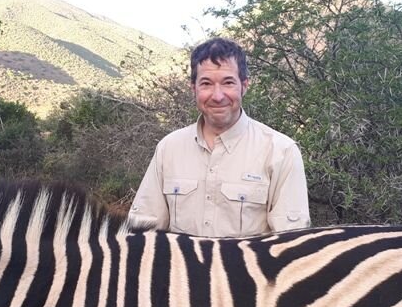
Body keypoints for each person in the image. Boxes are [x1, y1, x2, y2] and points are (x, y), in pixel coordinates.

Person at [129, 37, 310, 237]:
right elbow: (143, 233)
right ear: (194, 88)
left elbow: (292, 244)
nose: (217, 96)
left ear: (244, 85)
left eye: (228, 83)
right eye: (206, 83)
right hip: (179, 269)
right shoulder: (168, 148)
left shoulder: (281, 152)